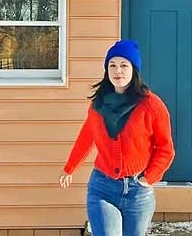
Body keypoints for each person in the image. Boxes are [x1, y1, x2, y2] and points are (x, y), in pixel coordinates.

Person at [59, 39, 175, 236]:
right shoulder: (99, 104)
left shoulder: (152, 106)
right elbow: (87, 137)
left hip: (138, 192)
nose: (117, 71)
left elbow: (165, 149)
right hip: (103, 187)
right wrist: (70, 168)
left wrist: (148, 179)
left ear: (134, 69)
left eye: (123, 65)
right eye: (112, 65)